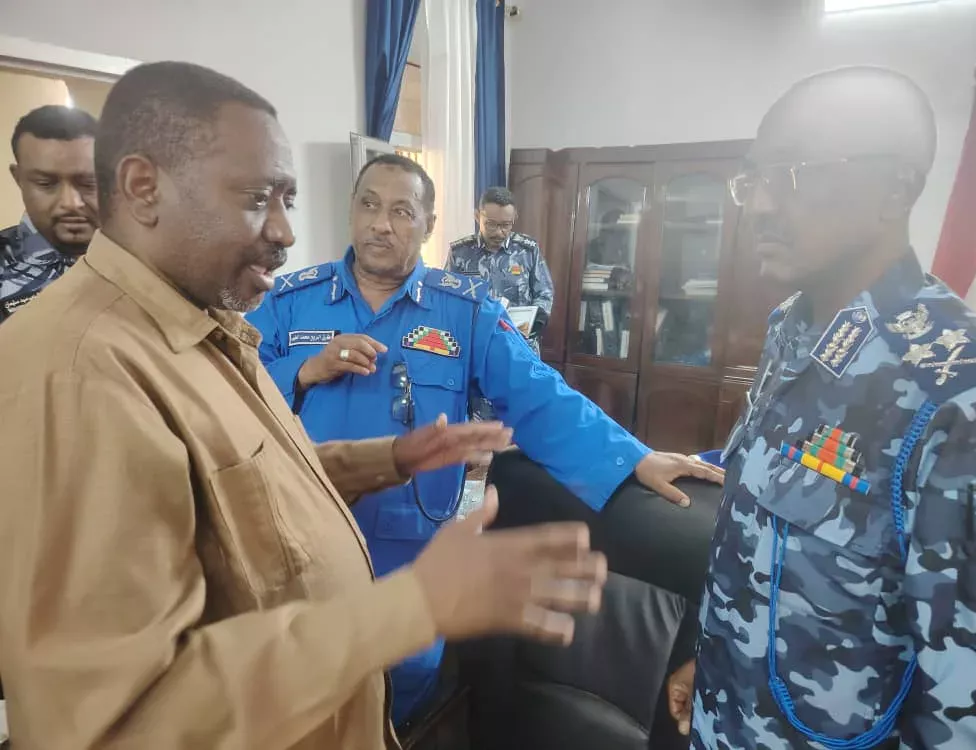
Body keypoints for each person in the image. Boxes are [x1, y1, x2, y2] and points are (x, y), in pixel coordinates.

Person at [0, 61, 612, 750]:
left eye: (288, 198)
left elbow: (241, 481)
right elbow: (117, 722)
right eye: (258, 197)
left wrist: (387, 459)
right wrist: (413, 605)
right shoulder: (81, 372)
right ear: (144, 188)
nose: (286, 232)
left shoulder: (198, 321)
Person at [247, 153, 725, 724]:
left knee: (404, 700)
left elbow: (538, 397)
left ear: (428, 226)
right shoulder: (287, 299)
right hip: (306, 540)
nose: (381, 223)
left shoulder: (463, 310)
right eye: (369, 205)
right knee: (304, 693)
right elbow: (232, 390)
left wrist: (634, 457)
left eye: (402, 211)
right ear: (351, 211)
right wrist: (301, 371)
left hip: (413, 546)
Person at [665, 67, 976, 749]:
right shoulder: (793, 325)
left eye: (793, 173)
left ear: (895, 189)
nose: (758, 206)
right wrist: (716, 655)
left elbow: (971, 710)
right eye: (753, 179)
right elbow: (757, 525)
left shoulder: (967, 390)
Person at [1, 104, 98, 322]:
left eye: (88, 183)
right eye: (46, 183)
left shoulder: (145, 261)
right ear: (19, 179)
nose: (70, 203)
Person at [445, 186, 554, 355]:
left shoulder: (528, 250)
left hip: (519, 345)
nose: (499, 232)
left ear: (514, 218)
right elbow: (447, 296)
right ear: (477, 216)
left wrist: (535, 321)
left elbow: (545, 293)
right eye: (491, 224)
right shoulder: (460, 252)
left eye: (505, 225)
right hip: (474, 345)